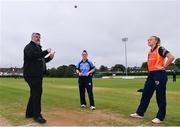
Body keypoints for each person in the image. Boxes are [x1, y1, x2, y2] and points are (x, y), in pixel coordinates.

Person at [130, 36, 175, 124]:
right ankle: (140, 113)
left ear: (156, 41)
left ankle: (160, 117)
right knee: (145, 94)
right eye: (148, 40)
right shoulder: (150, 52)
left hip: (160, 74)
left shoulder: (160, 48)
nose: (148, 41)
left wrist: (164, 66)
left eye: (151, 39)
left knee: (160, 96)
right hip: (151, 74)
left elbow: (171, 57)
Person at [23, 33, 55, 124]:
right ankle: (37, 115)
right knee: (37, 94)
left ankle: (29, 113)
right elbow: (33, 56)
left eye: (39, 37)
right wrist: (46, 51)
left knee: (34, 93)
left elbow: (42, 60)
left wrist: (50, 57)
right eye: (36, 37)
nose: (38, 38)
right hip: (32, 75)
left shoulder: (38, 48)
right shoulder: (29, 47)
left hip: (37, 75)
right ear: (32, 37)